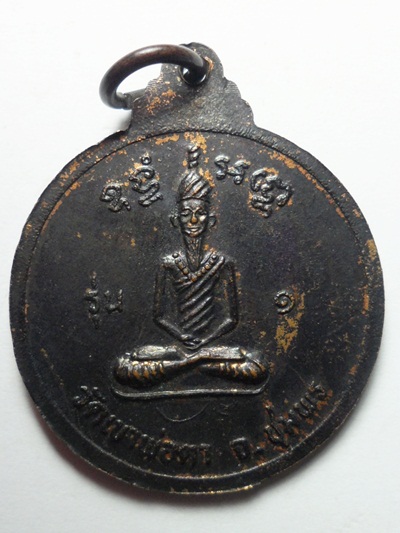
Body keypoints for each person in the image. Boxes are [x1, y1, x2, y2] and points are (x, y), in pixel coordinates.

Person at [114, 146, 268, 389]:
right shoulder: (169, 263)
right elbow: (160, 316)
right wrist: (181, 337)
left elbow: (231, 318)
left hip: (213, 347)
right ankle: (195, 363)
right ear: (176, 220)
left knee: (256, 367)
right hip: (175, 348)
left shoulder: (222, 263)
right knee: (126, 367)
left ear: (211, 219)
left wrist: (205, 341)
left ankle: (188, 365)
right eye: (186, 214)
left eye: (200, 214)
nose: (193, 220)